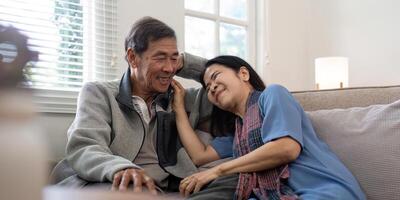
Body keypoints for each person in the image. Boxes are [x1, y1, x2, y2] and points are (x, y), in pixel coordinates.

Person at [51, 17, 238, 199]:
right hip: (108, 182)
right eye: (160, 58)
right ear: (132, 57)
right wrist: (122, 168)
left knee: (237, 182)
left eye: (173, 59)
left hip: (160, 188)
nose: (169, 68)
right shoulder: (99, 93)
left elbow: (236, 83)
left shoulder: (181, 98)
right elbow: (85, 147)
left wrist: (185, 62)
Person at [172, 55, 366, 199]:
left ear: (243, 73)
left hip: (325, 191)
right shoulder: (239, 134)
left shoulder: (273, 95)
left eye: (216, 77)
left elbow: (286, 148)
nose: (212, 86)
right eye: (207, 87)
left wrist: (218, 171)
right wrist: (179, 108)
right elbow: (200, 156)